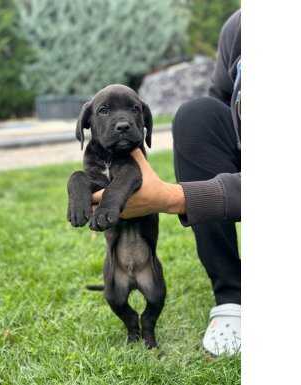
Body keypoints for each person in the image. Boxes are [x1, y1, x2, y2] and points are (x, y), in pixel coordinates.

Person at [92, 10, 241, 356]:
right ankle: (231, 296)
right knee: (196, 114)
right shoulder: (239, 27)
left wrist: (175, 197)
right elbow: (217, 106)